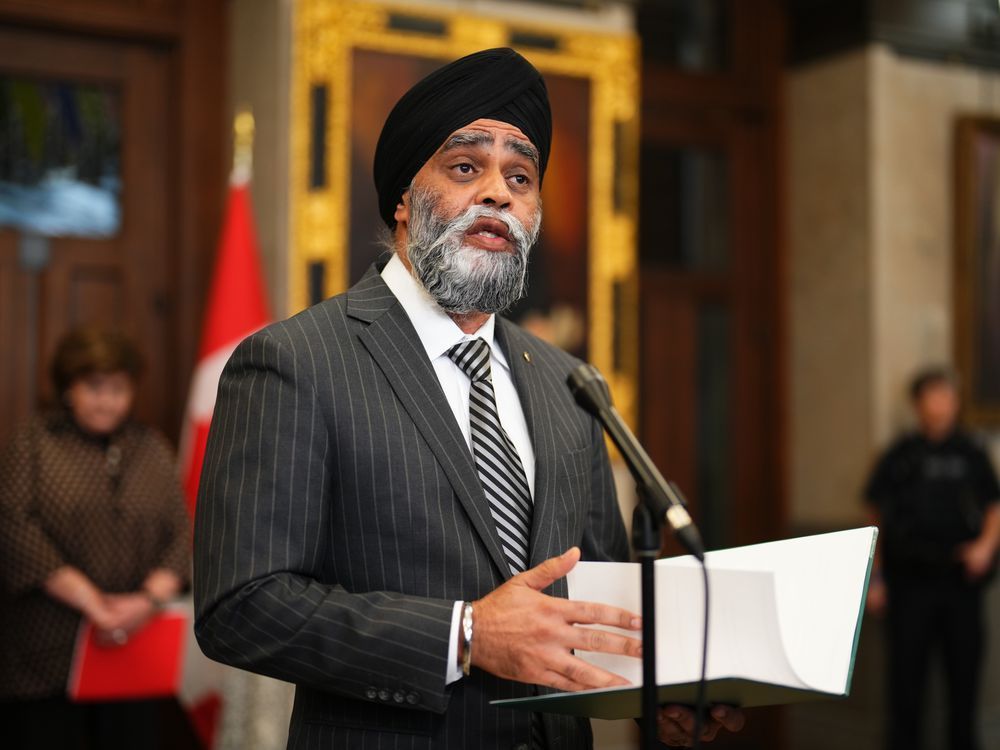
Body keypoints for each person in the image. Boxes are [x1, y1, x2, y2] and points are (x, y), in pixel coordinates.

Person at [193, 48, 743, 749]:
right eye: (465, 167)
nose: (498, 193)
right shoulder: (295, 362)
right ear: (402, 199)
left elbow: (596, 593)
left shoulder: (570, 383)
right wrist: (465, 635)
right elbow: (241, 607)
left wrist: (650, 691)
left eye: (521, 176)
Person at [0, 326, 192, 750]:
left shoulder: (152, 447)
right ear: (69, 388)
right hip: (46, 657)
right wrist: (92, 602)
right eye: (94, 386)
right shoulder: (33, 443)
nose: (107, 400)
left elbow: (182, 534)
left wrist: (146, 601)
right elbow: (13, 528)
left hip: (133, 647)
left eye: (119, 388)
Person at [865, 366, 1000, 750]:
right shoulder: (900, 454)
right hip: (909, 587)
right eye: (933, 395)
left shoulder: (972, 452)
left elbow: (994, 507)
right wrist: (876, 578)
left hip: (961, 584)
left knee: (964, 686)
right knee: (905, 688)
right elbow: (874, 515)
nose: (942, 404)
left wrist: (986, 547)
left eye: (948, 395)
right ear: (918, 403)